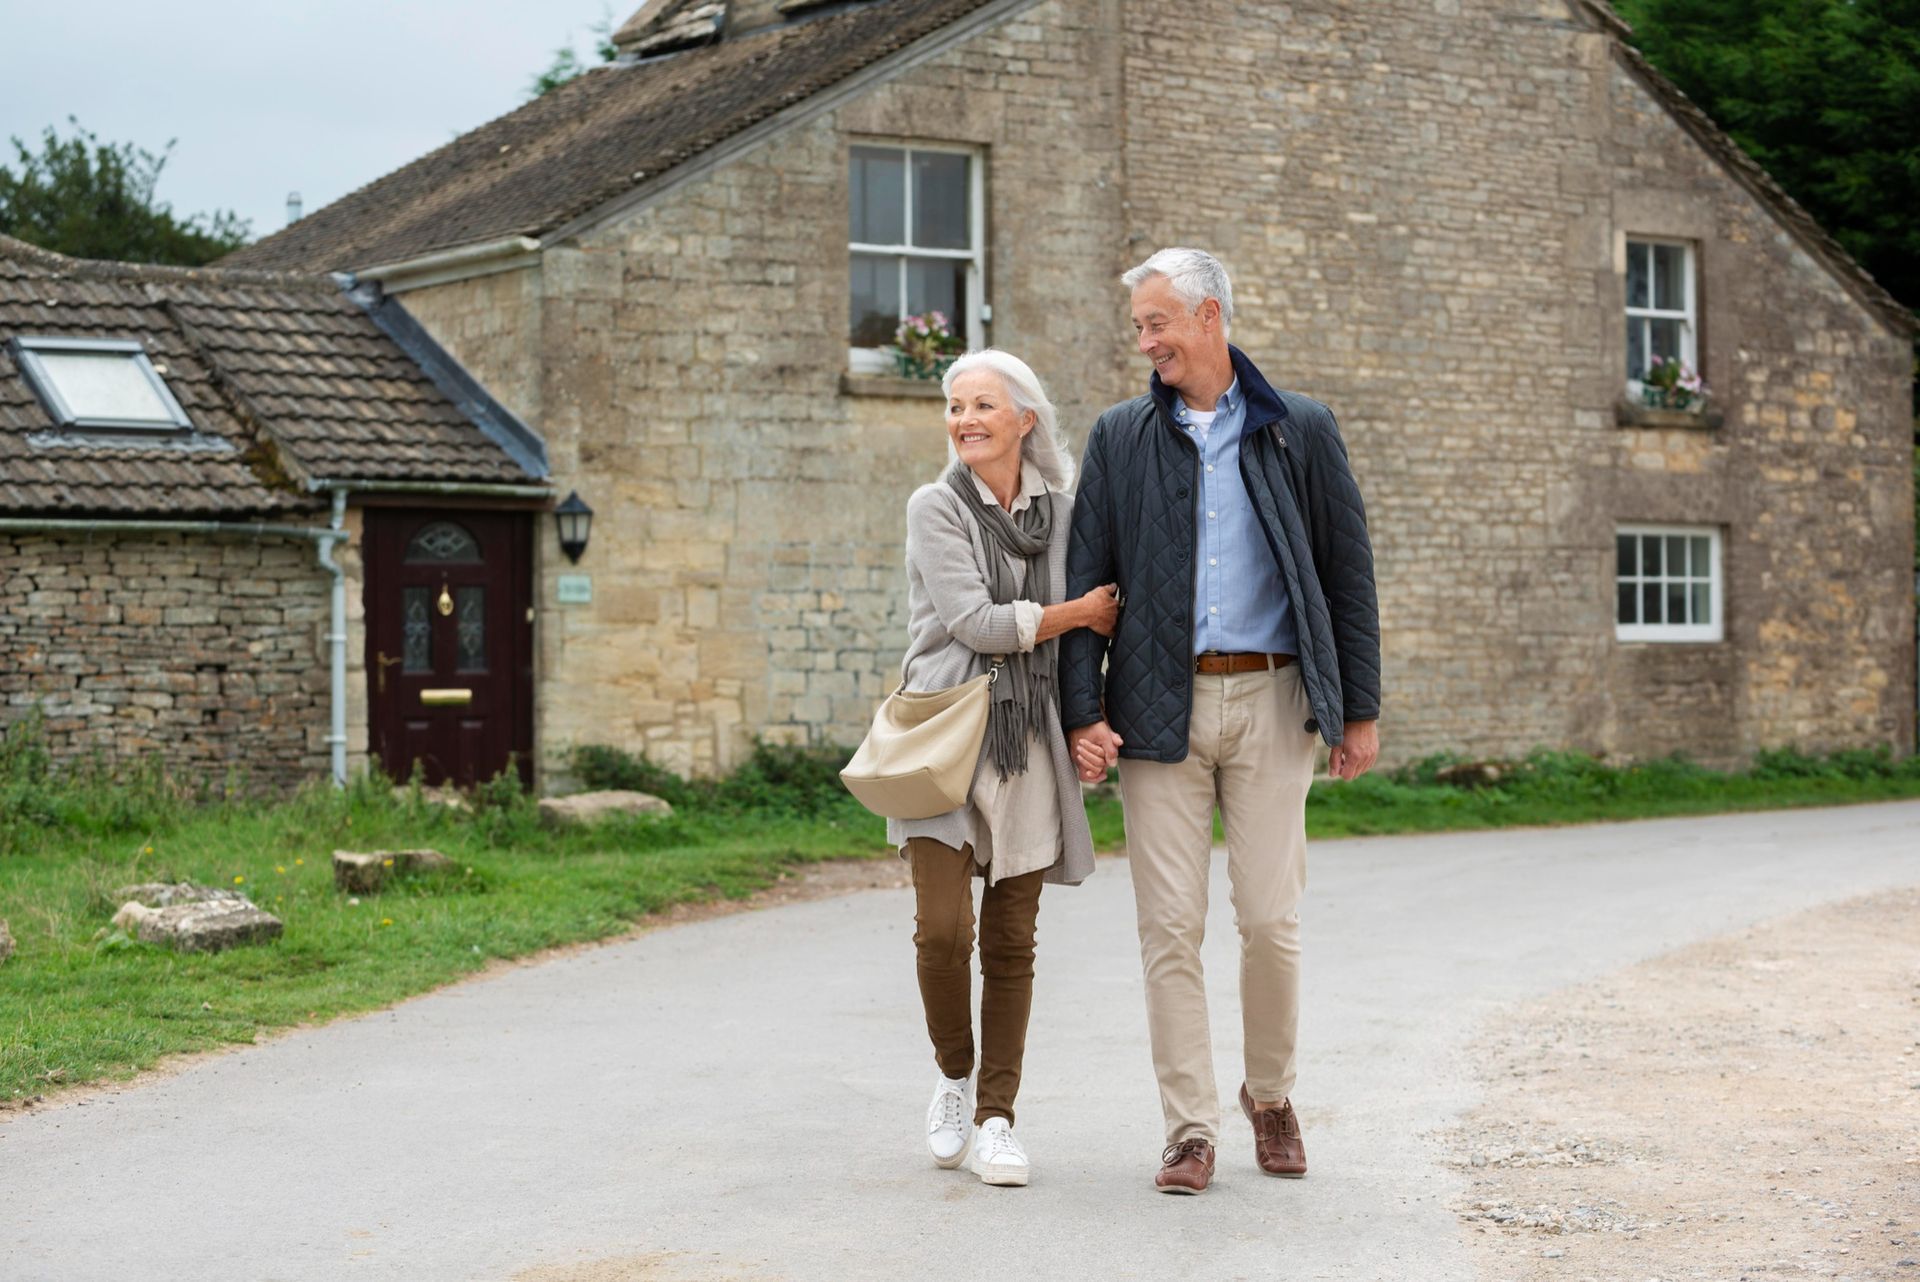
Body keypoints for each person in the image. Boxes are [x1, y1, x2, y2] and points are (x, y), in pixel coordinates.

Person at [1061, 248, 1382, 1194]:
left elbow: (1346, 573)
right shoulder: (1121, 436)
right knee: (1169, 927)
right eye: (1139, 327)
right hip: (1157, 704)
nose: (1146, 341)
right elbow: (1085, 581)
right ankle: (1190, 1129)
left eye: (1158, 322)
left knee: (1272, 921)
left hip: (1277, 701)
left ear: (1209, 318)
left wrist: (1357, 709)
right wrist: (1083, 710)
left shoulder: (1299, 429)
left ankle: (1272, 1097)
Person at [888, 348, 1116, 1188]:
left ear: (1025, 418)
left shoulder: (1062, 511)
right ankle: (953, 1075)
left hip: (1030, 739)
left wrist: (1091, 721)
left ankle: (996, 1116)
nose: (965, 420)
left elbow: (1090, 635)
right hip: (943, 733)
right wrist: (1078, 611)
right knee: (944, 932)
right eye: (954, 406)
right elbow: (976, 622)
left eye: (983, 405)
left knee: (1013, 942)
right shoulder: (934, 506)